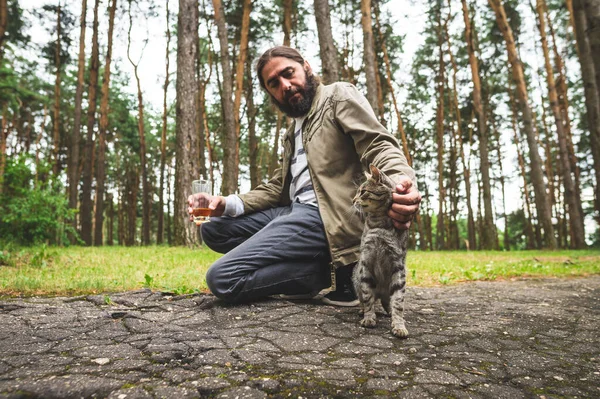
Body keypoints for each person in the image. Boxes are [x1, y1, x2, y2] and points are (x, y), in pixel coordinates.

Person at [188, 46, 420, 306]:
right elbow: (279, 187)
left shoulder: (337, 96)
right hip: (293, 211)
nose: (285, 86)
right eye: (273, 83)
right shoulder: (292, 133)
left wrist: (400, 181)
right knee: (213, 228)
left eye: (289, 73)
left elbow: (377, 144)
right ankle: (315, 267)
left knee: (223, 279)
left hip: (324, 217)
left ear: (306, 67)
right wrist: (225, 203)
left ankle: (319, 275)